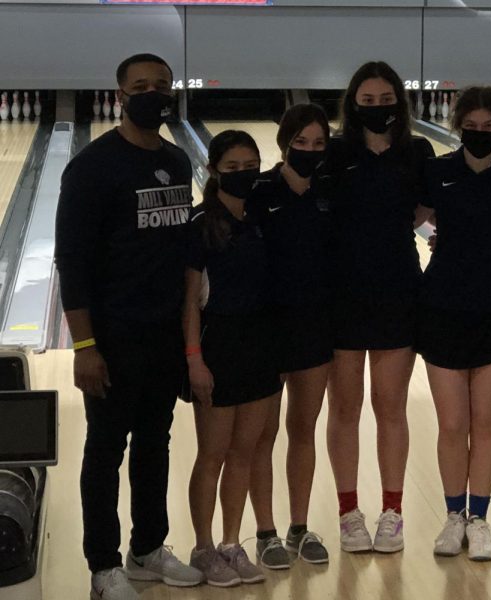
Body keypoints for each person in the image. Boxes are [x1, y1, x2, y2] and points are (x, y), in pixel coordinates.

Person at [55, 53, 202, 600]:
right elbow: (72, 261)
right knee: (105, 450)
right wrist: (85, 345)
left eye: (161, 85)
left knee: (155, 445)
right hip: (112, 337)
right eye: (141, 86)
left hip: (164, 333)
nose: (153, 93)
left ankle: (146, 549)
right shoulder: (92, 168)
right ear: (119, 96)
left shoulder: (179, 161)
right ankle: (103, 565)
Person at [323, 61, 434, 553]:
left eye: (384, 98)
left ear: (399, 101)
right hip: (341, 295)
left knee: (391, 407)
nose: (376, 107)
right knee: (345, 409)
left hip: (396, 292)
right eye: (367, 101)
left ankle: (393, 511)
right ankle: (349, 514)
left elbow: (424, 211)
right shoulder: (333, 150)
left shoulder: (418, 151)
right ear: (353, 104)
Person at [418, 86, 491, 562]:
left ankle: (479, 518)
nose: (480, 133)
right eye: (473, 125)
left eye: (489, 127)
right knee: (452, 422)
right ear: (457, 124)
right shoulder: (439, 171)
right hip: (442, 307)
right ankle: (452, 517)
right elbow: (413, 220)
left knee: (485, 423)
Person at [183, 130, 282, 586]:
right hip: (217, 347)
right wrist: (194, 360)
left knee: (244, 452)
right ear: (213, 170)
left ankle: (230, 544)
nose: (244, 175)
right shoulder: (200, 223)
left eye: (251, 166)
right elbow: (188, 302)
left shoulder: (261, 215)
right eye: (233, 168)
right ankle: (203, 548)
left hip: (260, 346)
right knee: (213, 454)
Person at [248, 104, 332, 568]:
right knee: (263, 434)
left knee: (303, 429)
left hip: (314, 327)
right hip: (265, 329)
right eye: (301, 143)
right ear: (284, 144)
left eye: (319, 143)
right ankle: (265, 533)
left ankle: (299, 528)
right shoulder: (259, 189)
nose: (310, 151)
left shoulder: (330, 191)